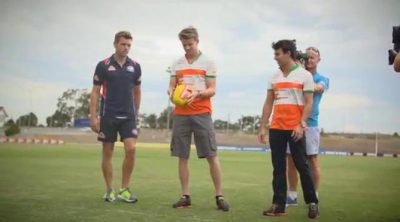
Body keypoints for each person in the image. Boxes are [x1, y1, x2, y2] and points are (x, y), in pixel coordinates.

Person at [167, 26, 229, 211]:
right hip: (181, 115)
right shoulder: (176, 63)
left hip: (202, 113)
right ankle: (185, 196)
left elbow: (212, 89)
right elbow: (171, 86)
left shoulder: (208, 62)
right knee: (182, 156)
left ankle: (219, 196)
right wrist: (172, 94)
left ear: (197, 41)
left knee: (211, 155)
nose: (187, 48)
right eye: (184, 44)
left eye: (190, 44)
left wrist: (198, 94)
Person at [258, 40, 319, 219]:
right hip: (276, 128)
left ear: (288, 53)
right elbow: (268, 103)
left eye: (277, 53)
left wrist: (301, 124)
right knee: (278, 168)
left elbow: (309, 103)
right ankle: (278, 205)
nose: (275, 57)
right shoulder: (274, 77)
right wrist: (263, 126)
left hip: (295, 128)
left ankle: (312, 203)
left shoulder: (304, 75)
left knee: (302, 165)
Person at [89, 31, 141, 203]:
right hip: (108, 116)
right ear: (115, 44)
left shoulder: (135, 66)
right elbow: (95, 92)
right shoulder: (103, 65)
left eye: (129, 45)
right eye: (123, 44)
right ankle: (110, 189)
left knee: (131, 149)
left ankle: (124, 189)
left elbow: (137, 92)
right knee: (107, 152)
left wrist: (136, 114)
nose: (126, 48)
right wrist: (93, 117)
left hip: (128, 117)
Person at [286, 47, 329, 207]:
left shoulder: (322, 78)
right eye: (307, 57)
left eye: (312, 57)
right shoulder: (297, 76)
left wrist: (305, 76)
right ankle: (292, 195)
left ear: (318, 60)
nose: (309, 60)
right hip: (293, 123)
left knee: (312, 159)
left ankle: (314, 195)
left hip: (310, 124)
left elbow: (319, 87)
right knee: (290, 160)